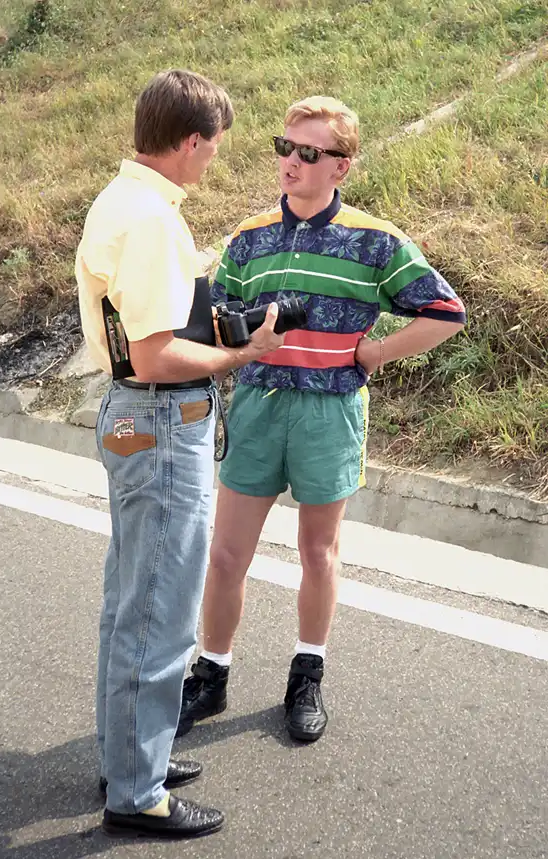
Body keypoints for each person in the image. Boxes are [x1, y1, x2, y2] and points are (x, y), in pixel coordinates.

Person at [178, 96, 466, 744]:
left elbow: (446, 312)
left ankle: (306, 675)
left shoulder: (375, 240)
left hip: (329, 412)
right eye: (284, 147)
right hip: (256, 406)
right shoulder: (249, 236)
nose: (291, 162)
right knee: (225, 555)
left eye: (308, 152)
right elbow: (215, 313)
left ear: (341, 166)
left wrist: (378, 351)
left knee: (318, 552)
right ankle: (213, 673)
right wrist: (230, 339)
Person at [75, 69, 283, 840]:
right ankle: (137, 791)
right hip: (162, 422)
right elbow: (160, 357)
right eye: (215, 147)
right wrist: (243, 353)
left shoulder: (119, 200)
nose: (214, 161)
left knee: (129, 606)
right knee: (159, 615)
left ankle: (132, 754)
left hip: (133, 420)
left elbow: (145, 333)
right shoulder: (155, 221)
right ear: (192, 140)